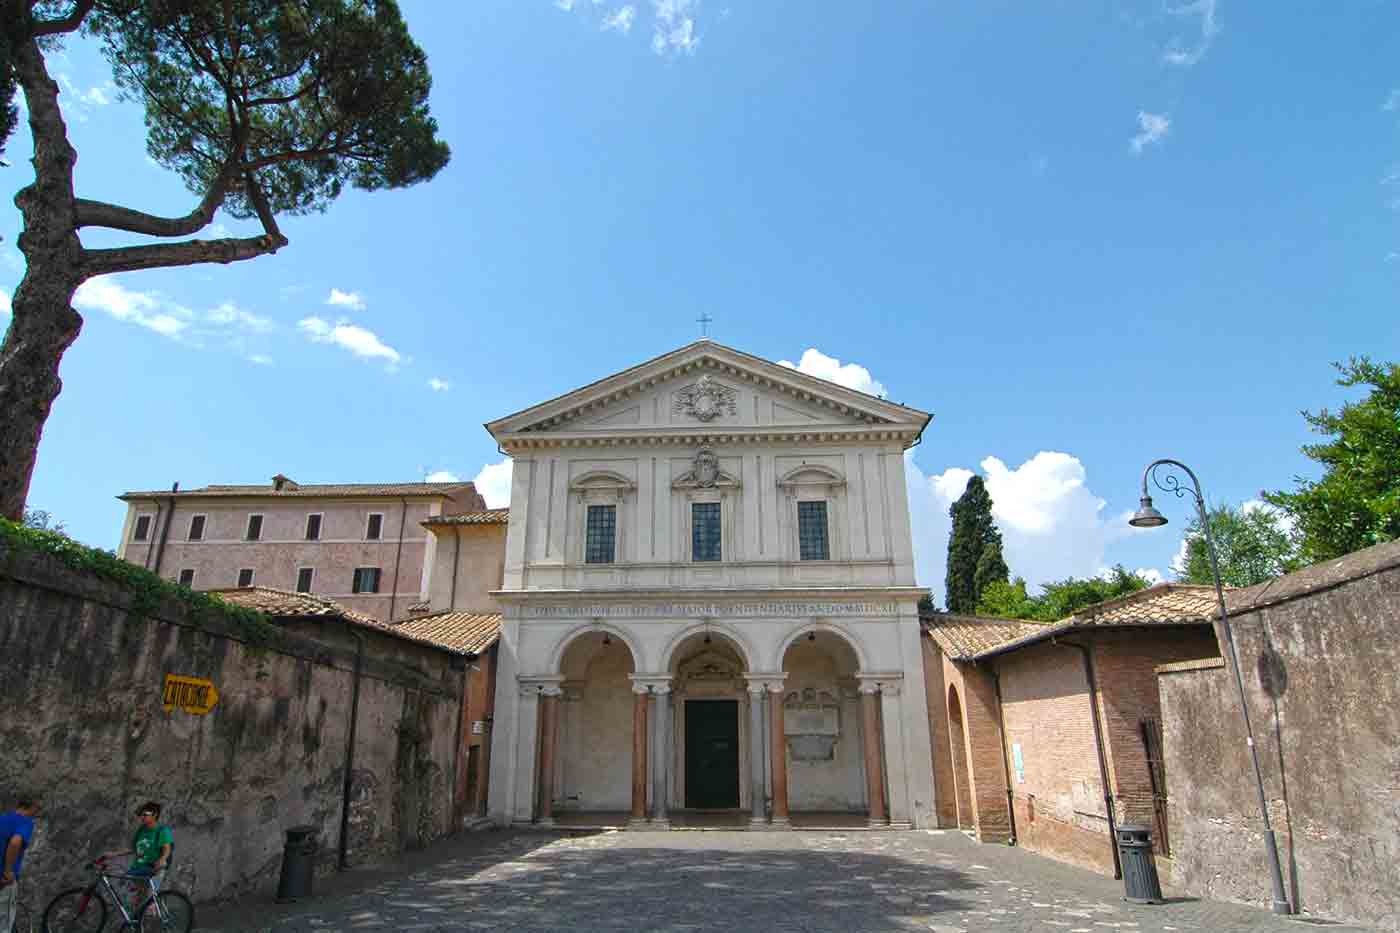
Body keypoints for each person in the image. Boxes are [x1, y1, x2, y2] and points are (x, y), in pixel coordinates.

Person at [104, 801, 173, 913]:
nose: (142, 817)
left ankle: (156, 911)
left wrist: (162, 860)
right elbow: (133, 849)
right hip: (139, 867)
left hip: (154, 868)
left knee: (148, 900)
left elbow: (167, 849)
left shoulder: (162, 830)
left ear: (154, 815)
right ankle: (137, 920)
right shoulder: (141, 830)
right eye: (141, 815)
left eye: (145, 814)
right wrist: (113, 854)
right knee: (132, 894)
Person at [0, 796, 39, 933]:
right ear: (32, 806)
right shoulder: (25, 822)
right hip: (4, 881)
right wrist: (7, 871)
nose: (37, 812)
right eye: (37, 808)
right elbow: (15, 842)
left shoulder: (2, 818)